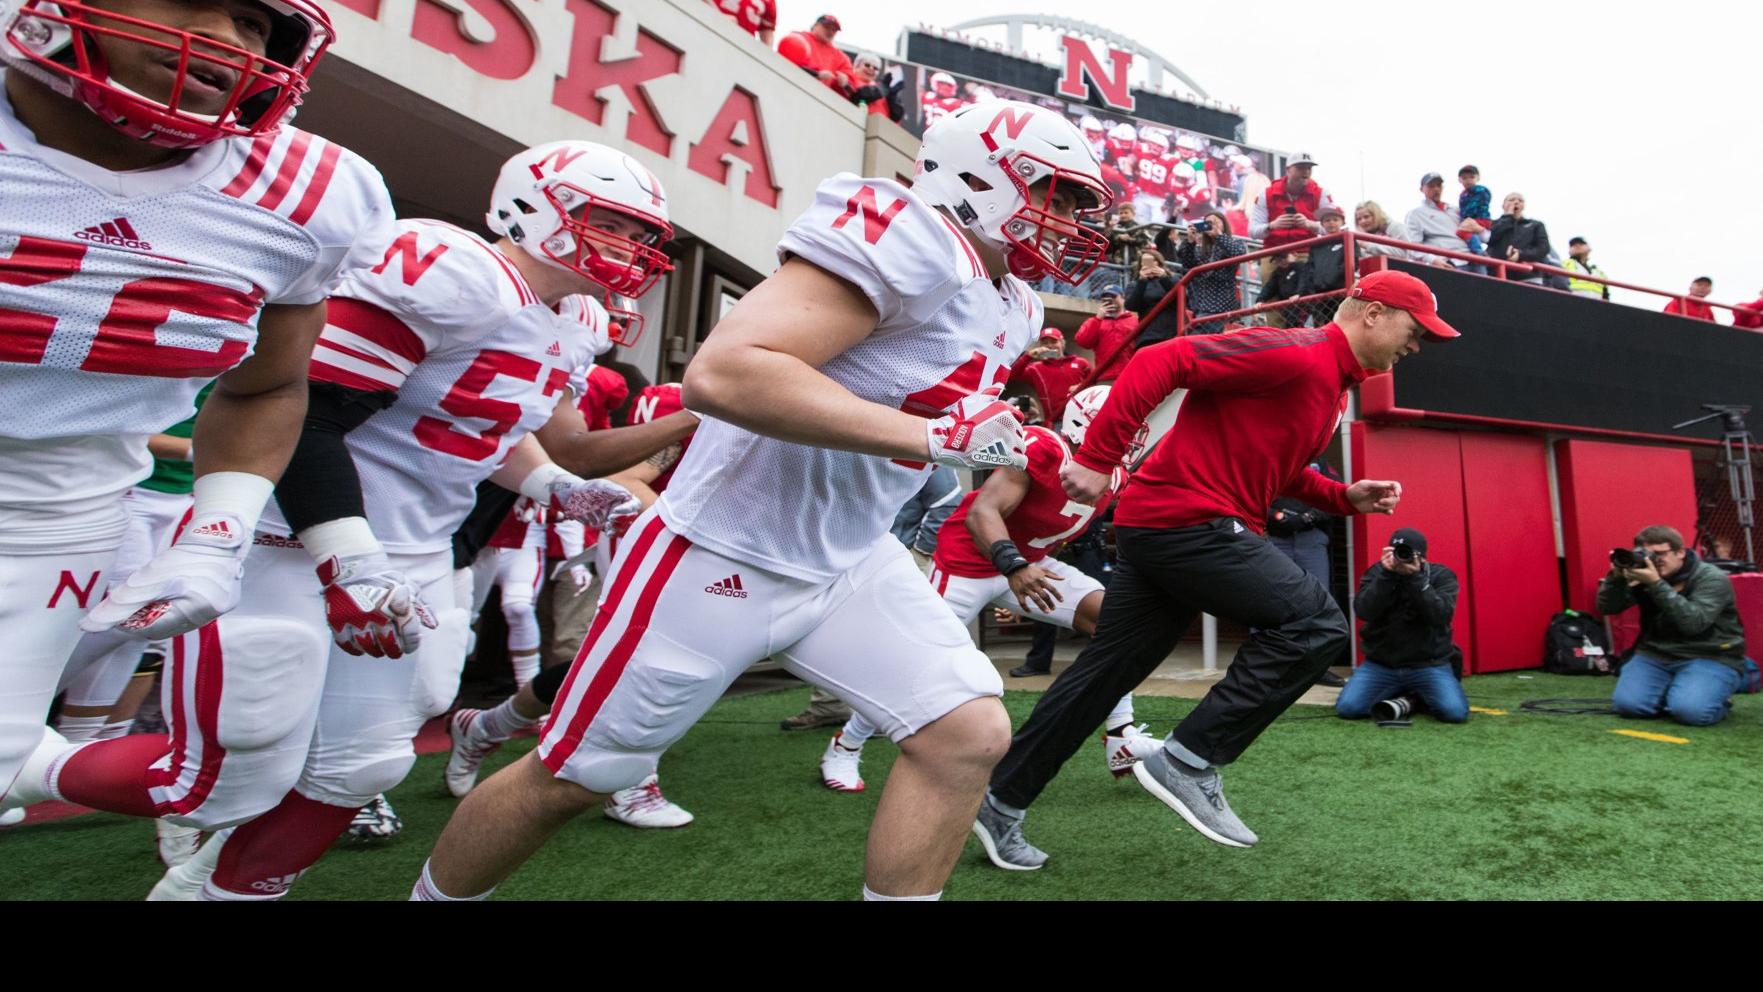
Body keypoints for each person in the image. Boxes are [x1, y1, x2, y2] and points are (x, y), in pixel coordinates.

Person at [411, 100, 1114, 904]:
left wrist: (976, 431)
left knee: (965, 732)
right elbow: (728, 375)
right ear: (978, 173)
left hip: (849, 553)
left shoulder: (1014, 301)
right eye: (1053, 195)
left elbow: (906, 410)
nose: (1065, 222)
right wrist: (938, 437)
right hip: (722, 547)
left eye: (1074, 206)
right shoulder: (911, 233)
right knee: (577, 776)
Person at [14, 140, 696, 901]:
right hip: (293, 542)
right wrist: (348, 562)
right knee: (222, 780)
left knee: (361, 769)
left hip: (417, 552)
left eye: (641, 235)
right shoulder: (452, 271)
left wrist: (551, 483)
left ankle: (215, 891)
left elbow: (482, 429)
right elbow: (305, 420)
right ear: (534, 206)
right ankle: (23, 767)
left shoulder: (574, 318)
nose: (632, 248)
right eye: (614, 223)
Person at [0, 0, 397, 821]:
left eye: (256, 23)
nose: (225, 40)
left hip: (57, 509)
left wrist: (218, 532)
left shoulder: (310, 194)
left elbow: (268, 385)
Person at [979, 270, 1455, 858]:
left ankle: (1000, 801)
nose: (1416, 346)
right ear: (1374, 313)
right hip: (1187, 522)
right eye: (1415, 331)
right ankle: (1187, 761)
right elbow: (1164, 360)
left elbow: (1275, 471)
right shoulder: (1299, 352)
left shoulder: (1330, 384)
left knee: (1103, 677)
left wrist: (1342, 497)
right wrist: (1101, 455)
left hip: (1164, 526)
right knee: (1316, 624)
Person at [823, 387, 1160, 811]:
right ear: (1085, 424)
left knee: (1117, 624)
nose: (1128, 436)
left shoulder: (1114, 475)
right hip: (971, 561)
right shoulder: (1045, 448)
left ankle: (1119, 735)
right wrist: (1014, 566)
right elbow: (984, 510)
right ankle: (846, 744)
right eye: (1119, 426)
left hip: (1029, 565)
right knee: (911, 660)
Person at [1603, 525, 1748, 726]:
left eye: (1659, 554)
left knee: (1691, 712)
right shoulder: (1643, 573)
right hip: (1656, 652)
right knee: (1629, 706)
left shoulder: (1711, 578)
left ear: (1680, 552)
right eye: (1646, 554)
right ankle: (1680, 691)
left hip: (1710, 655)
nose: (1653, 560)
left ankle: (1718, 695)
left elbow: (1693, 623)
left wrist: (1655, 584)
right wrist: (1615, 579)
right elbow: (1607, 607)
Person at [1335, 528, 1467, 723]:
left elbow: (1440, 616)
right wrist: (1385, 576)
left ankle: (1412, 698)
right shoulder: (1377, 573)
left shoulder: (1441, 576)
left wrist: (1416, 579)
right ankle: (1408, 694)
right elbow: (1363, 611)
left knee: (1454, 712)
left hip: (1428, 664)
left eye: (1407, 553)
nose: (1401, 558)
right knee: (1348, 708)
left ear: (1421, 557)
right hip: (1381, 664)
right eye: (1396, 551)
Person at [1267, 458, 1346, 687]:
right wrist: (1278, 517)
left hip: (1311, 540)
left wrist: (1306, 518)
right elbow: (1253, 492)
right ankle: (1273, 667)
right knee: (1271, 600)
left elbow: (1335, 495)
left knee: (1317, 602)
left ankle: (1317, 668)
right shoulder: (1274, 457)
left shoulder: (1321, 465)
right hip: (1276, 539)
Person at [1249, 153, 1335, 283]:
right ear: (1288, 169)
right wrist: (1272, 226)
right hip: (1274, 253)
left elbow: (1334, 228)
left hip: (1306, 252)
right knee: (1270, 300)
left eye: (1309, 168)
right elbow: (1252, 231)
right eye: (1300, 167)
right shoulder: (1265, 194)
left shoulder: (1321, 193)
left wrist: (1309, 224)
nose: (1306, 172)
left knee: (1304, 300)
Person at [1174, 209, 1246, 327]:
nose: (1213, 225)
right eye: (1208, 223)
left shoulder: (1235, 242)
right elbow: (1187, 263)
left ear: (1224, 224)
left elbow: (1238, 253)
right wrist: (1190, 241)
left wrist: (1219, 236)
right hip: (1202, 302)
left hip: (1224, 302)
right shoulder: (1202, 248)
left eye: (1216, 222)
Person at [1009, 328, 1091, 426]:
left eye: (1054, 341)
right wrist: (1028, 356)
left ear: (1062, 343)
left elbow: (1094, 385)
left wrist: (1082, 387)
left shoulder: (1081, 363)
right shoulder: (1035, 369)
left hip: (1083, 418)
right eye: (1045, 343)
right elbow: (1012, 375)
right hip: (1056, 422)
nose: (1050, 346)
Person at [776, 14, 855, 98]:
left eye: (834, 30)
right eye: (827, 26)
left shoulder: (841, 57)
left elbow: (852, 88)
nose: (831, 31)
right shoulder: (800, 37)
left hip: (818, 100)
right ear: (815, 25)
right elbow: (786, 64)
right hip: (790, 89)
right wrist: (816, 74)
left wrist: (844, 82)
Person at [1075, 284, 1140, 383]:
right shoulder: (1096, 321)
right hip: (1106, 377)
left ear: (1123, 298)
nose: (1109, 300)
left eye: (1113, 297)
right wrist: (1098, 319)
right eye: (1105, 298)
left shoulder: (1135, 320)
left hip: (1131, 375)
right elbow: (1082, 341)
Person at [1405, 173, 1474, 263]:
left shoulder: (1456, 210)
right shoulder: (1416, 214)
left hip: (1470, 258)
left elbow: (1479, 233)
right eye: (1431, 186)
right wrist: (1433, 259)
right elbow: (1413, 246)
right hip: (1445, 262)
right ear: (1422, 189)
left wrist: (1480, 230)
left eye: (1439, 185)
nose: (1436, 189)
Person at [1485, 192, 1552, 281]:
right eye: (1511, 200)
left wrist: (1520, 254)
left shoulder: (1535, 225)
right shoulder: (1493, 224)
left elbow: (1543, 248)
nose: (1516, 202)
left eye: (1520, 200)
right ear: (1503, 205)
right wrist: (1508, 217)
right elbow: (1490, 238)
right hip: (1496, 275)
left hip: (1528, 277)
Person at [1128, 248, 1182, 347]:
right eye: (1145, 262)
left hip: (1171, 332)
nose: (1150, 264)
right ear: (1141, 265)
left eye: (1153, 261)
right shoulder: (1135, 284)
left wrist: (1164, 277)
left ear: (1159, 262)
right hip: (1148, 335)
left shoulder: (1173, 278)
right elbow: (1131, 306)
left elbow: (1183, 297)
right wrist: (1142, 282)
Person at [1456, 165, 1492, 256]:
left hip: (1481, 218)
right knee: (1465, 231)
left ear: (1478, 178)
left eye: (1471, 177)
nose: (1468, 180)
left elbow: (1474, 207)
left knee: (1461, 231)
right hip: (1472, 220)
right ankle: (1475, 248)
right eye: (1464, 178)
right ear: (1460, 180)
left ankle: (1478, 250)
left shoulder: (1481, 190)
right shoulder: (1463, 195)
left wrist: (1466, 219)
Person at [707, 0, 776, 44]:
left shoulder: (770, 2)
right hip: (707, 31)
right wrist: (718, 17)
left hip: (741, 49)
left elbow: (767, 38)